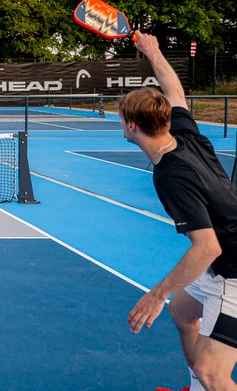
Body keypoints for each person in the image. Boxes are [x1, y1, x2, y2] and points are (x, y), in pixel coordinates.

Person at [124, 32, 237, 391]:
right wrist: (152, 51)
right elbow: (175, 91)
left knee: (211, 370)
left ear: (131, 126)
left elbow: (207, 247)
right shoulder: (185, 133)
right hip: (222, 260)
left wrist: (156, 294)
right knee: (183, 313)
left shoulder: (172, 176)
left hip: (232, 269)